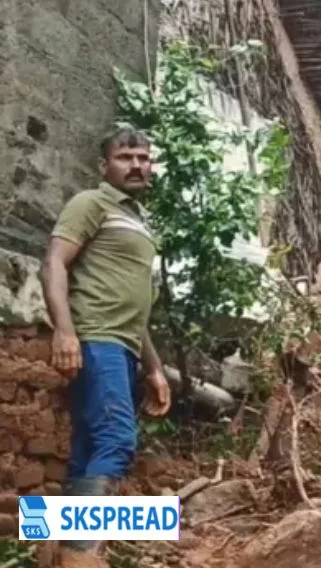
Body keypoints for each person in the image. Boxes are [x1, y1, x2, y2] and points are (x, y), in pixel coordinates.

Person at [39, 126, 170, 567]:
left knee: (87, 449)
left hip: (123, 348)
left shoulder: (138, 220)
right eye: (125, 157)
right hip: (96, 341)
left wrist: (152, 366)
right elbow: (54, 262)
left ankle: (54, 552)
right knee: (117, 440)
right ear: (105, 166)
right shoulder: (90, 204)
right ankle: (81, 555)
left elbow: (136, 304)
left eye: (143, 157)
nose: (136, 165)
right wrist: (64, 330)